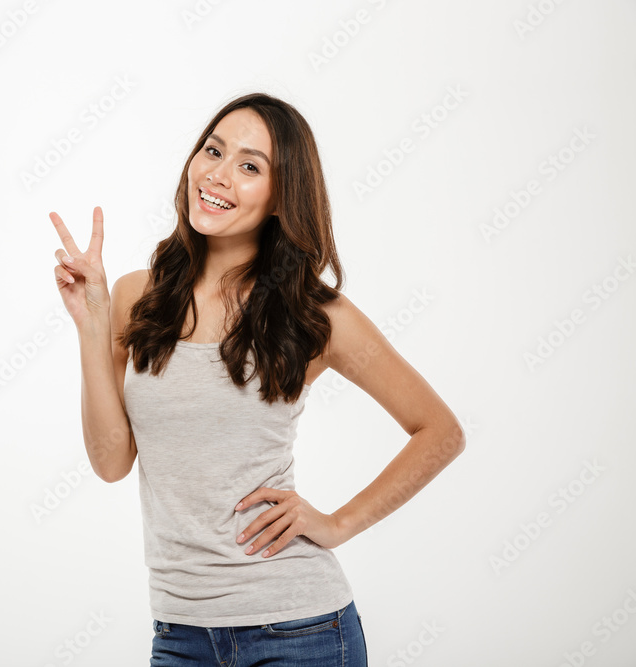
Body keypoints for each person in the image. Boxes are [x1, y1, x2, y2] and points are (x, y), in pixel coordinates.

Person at [49, 92, 466, 666]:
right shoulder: (134, 296)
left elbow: (439, 431)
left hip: (302, 632)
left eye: (250, 166)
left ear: (280, 197)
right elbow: (111, 462)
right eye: (213, 151)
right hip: (180, 633)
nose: (218, 174)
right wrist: (91, 328)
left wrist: (339, 523)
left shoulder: (315, 316)